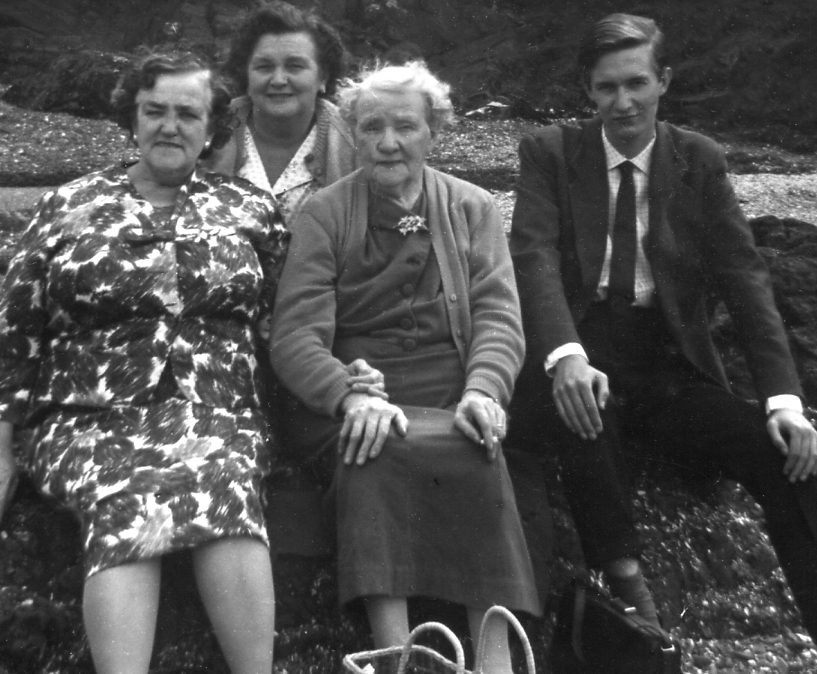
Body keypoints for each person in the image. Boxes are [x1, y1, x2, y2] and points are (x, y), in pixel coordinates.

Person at [508, 11, 817, 637]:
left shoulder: (699, 161)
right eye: (606, 88)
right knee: (585, 411)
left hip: (667, 362)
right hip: (582, 341)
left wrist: (785, 400)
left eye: (636, 84)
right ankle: (629, 593)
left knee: (782, 453)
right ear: (588, 92)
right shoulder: (551, 154)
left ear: (663, 81)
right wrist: (565, 353)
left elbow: (747, 280)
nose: (623, 103)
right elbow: (533, 257)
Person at [0, 48, 290, 674]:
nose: (169, 125)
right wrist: (2, 435)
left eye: (188, 113)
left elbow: (288, 317)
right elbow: (14, 326)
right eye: (154, 109)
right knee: (122, 490)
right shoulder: (69, 204)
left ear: (212, 127)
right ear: (131, 117)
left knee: (225, 482)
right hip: (87, 416)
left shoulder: (250, 209)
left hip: (216, 409)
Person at [269, 62, 541, 672]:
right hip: (355, 398)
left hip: (451, 390)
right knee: (377, 443)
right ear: (353, 136)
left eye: (405, 127)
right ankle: (398, 656)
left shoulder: (472, 208)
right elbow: (294, 336)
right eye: (371, 128)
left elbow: (500, 316)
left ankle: (494, 656)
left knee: (477, 442)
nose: (388, 143)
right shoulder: (324, 214)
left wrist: (485, 391)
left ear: (433, 131)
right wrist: (347, 394)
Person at [206, 0, 356, 223]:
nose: (278, 80)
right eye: (264, 67)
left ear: (323, 77)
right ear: (245, 74)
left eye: (295, 66)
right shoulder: (210, 128)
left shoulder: (353, 140)